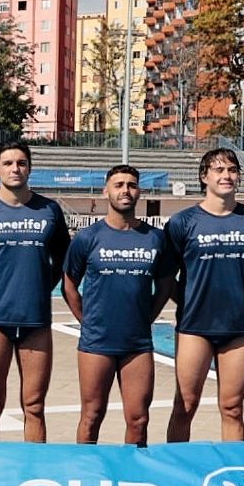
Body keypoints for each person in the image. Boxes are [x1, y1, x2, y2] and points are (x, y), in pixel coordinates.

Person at [0, 140, 71, 442]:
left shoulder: (49, 210)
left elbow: (64, 257)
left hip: (36, 320)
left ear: (30, 168)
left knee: (34, 406)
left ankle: (32, 472)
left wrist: (45, 286)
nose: (15, 168)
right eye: (8, 163)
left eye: (21, 162)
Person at [164, 147, 244, 443]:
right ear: (204, 177)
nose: (227, 176)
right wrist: (188, 299)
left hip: (237, 328)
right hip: (194, 327)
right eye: (219, 170)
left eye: (232, 170)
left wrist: (239, 294)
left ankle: (234, 473)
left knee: (233, 408)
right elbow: (166, 275)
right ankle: (176, 464)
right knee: (184, 405)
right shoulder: (183, 222)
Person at [62, 165, 174, 445]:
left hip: (137, 343)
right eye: (119, 184)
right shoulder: (88, 238)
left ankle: (132, 477)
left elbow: (165, 284)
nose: (126, 190)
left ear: (139, 192)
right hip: (97, 341)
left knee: (138, 419)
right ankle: (87, 475)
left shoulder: (155, 238)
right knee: (91, 414)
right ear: (106, 191)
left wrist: (148, 316)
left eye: (132, 185)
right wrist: (86, 320)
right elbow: (69, 284)